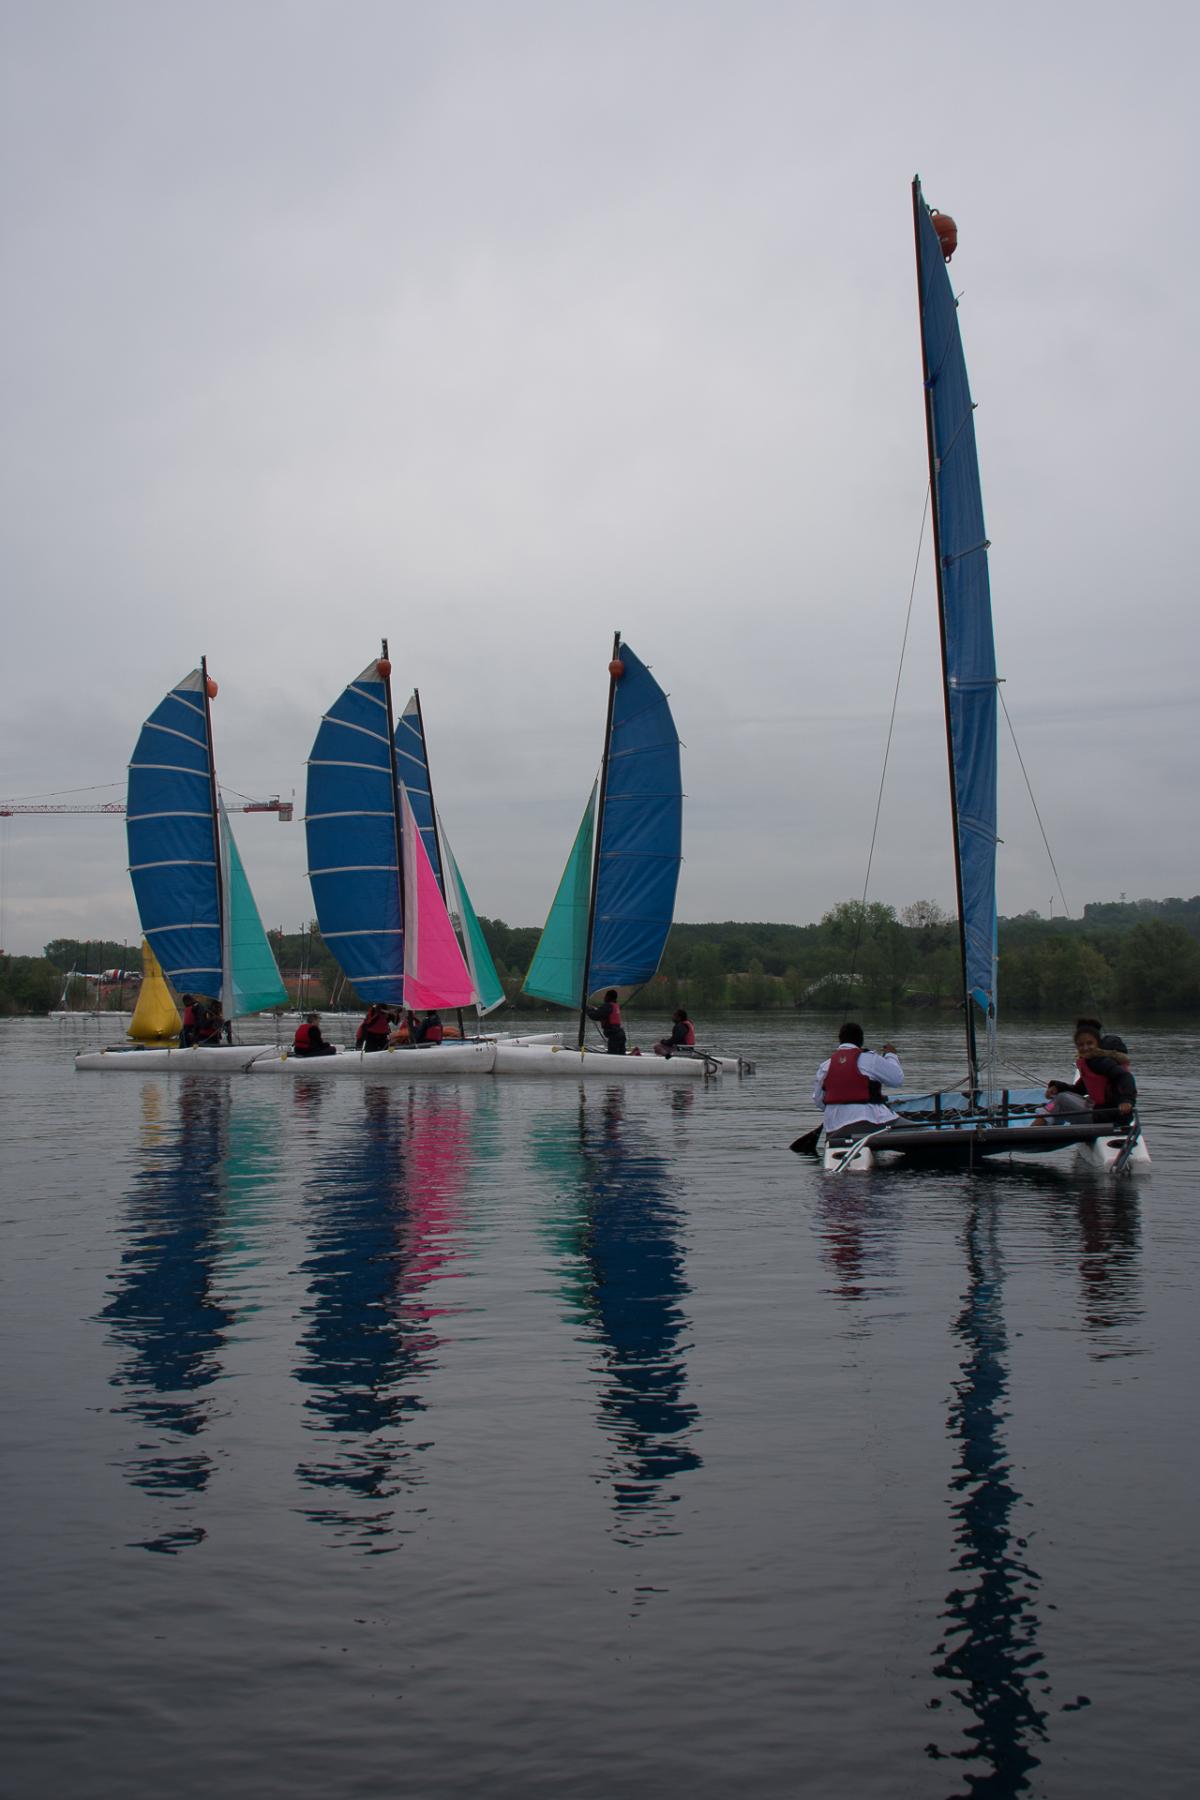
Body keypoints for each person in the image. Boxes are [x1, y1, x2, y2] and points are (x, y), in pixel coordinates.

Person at [813, 1023, 905, 1138]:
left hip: (833, 1127)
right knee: (916, 1129)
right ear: (861, 1040)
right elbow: (897, 1079)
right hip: (869, 1122)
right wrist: (891, 1055)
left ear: (840, 1040)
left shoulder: (825, 1066)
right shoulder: (870, 1059)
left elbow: (819, 1101)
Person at [1071, 1022, 1137, 1121]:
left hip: (1112, 1115)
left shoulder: (1100, 1062)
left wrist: (1126, 1101)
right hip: (1101, 1112)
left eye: (1089, 1043)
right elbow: (1081, 1088)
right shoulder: (1089, 1062)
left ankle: (1045, 1126)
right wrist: (1058, 1087)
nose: (1085, 1048)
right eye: (1081, 1045)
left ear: (1098, 1044)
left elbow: (1125, 1077)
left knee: (1061, 1099)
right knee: (1062, 1096)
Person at [586, 989, 626, 1055]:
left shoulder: (608, 1006)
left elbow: (596, 1016)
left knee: (613, 1056)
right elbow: (602, 1012)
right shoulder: (614, 1005)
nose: (604, 997)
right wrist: (592, 1009)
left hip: (614, 1037)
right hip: (621, 1035)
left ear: (608, 997)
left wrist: (587, 1009)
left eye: (605, 996)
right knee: (621, 1055)